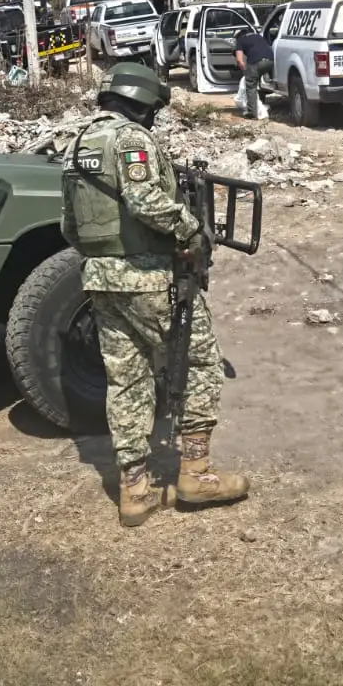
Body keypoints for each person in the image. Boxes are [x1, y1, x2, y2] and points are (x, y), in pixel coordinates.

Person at [61, 62, 249, 527]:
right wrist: (192, 231)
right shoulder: (130, 140)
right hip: (147, 277)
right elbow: (146, 202)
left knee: (126, 379)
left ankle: (135, 491)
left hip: (100, 280)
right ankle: (196, 475)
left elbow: (69, 223)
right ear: (142, 102)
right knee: (202, 363)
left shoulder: (77, 145)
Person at [233, 29, 274, 121]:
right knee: (258, 81)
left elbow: (239, 60)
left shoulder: (241, 40)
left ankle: (252, 113)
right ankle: (261, 103)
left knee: (250, 85)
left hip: (257, 62)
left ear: (238, 36)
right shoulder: (258, 36)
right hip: (271, 61)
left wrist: (245, 71)